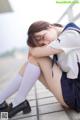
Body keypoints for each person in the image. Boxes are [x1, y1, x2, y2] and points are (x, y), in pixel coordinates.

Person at [0, 21, 80, 118]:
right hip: (70, 90)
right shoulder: (61, 37)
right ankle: (7, 101)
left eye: (43, 37)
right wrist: (34, 45)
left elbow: (34, 54)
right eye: (42, 44)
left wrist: (33, 45)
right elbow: (31, 56)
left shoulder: (71, 35)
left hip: (75, 96)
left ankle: (17, 102)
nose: (46, 43)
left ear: (49, 26)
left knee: (37, 59)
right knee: (32, 61)